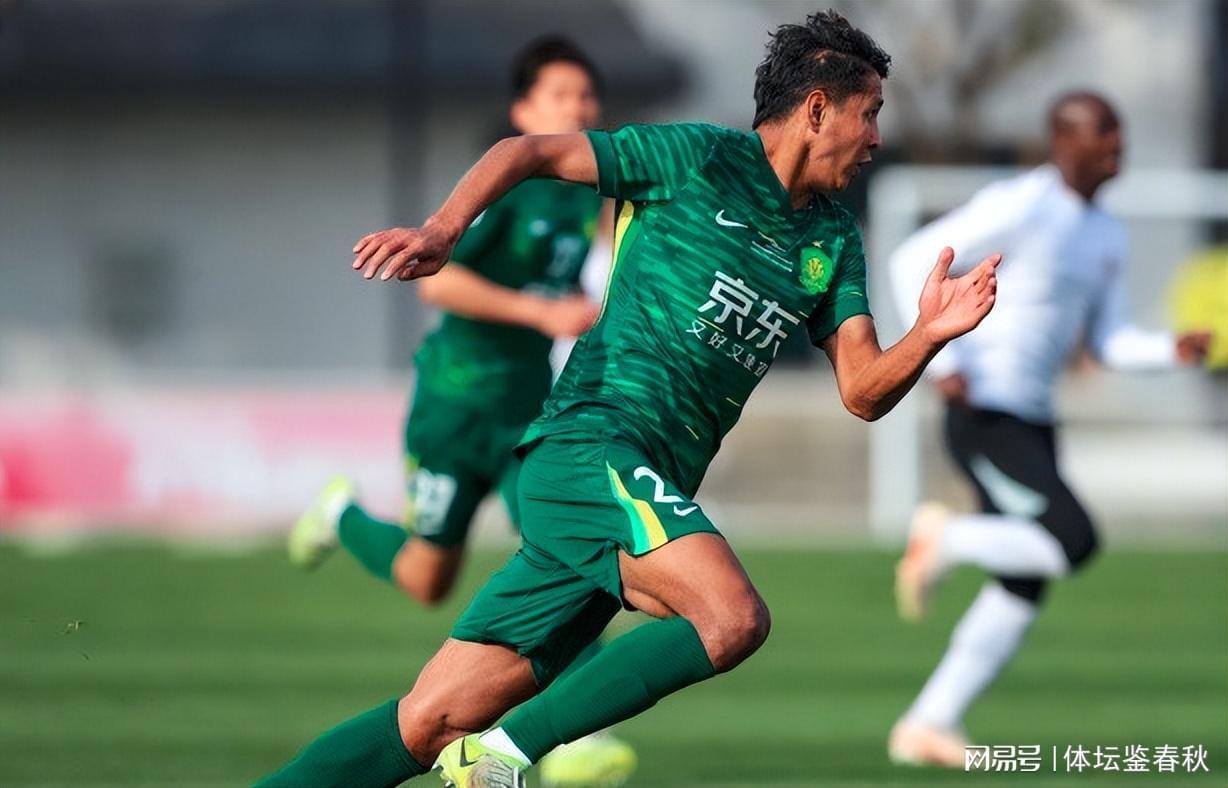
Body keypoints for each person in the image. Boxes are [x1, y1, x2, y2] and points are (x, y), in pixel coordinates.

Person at [257, 11, 1000, 787]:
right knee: (732, 617)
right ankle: (500, 758)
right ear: (817, 108)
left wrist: (928, 334)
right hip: (592, 447)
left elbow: (862, 391)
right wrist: (444, 231)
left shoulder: (834, 238)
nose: (877, 137)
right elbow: (526, 151)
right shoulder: (695, 158)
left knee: (428, 721)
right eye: (869, 113)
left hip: (623, 491)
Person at [287, 35, 635, 787]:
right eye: (563, 96)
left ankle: (578, 738)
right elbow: (436, 284)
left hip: (528, 413)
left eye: (587, 96)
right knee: (426, 579)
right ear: (524, 111)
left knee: (573, 547)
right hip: (454, 407)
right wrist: (539, 312)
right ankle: (341, 514)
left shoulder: (586, 193)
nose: (581, 108)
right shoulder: (505, 187)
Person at [886, 92, 1213, 768]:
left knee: (1022, 582)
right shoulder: (1023, 203)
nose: (1118, 144)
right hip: (984, 415)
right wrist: (942, 361)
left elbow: (1110, 340)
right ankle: (945, 539)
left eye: (1119, 132)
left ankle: (927, 723)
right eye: (1103, 133)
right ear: (1064, 142)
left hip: (1034, 420)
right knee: (1073, 539)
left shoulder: (1106, 234)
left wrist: (1170, 350)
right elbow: (910, 257)